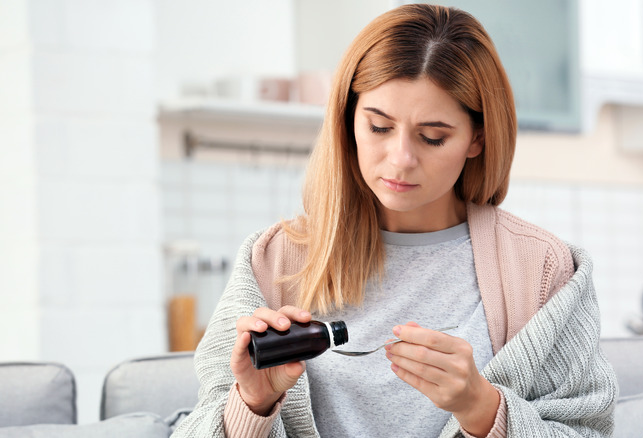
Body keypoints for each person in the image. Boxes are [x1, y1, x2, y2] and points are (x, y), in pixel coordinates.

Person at [172, 4, 617, 438]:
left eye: (432, 137)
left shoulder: (538, 269)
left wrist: (484, 410)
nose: (401, 159)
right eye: (379, 128)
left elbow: (586, 431)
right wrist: (253, 405)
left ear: (476, 138)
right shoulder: (273, 260)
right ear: (348, 122)